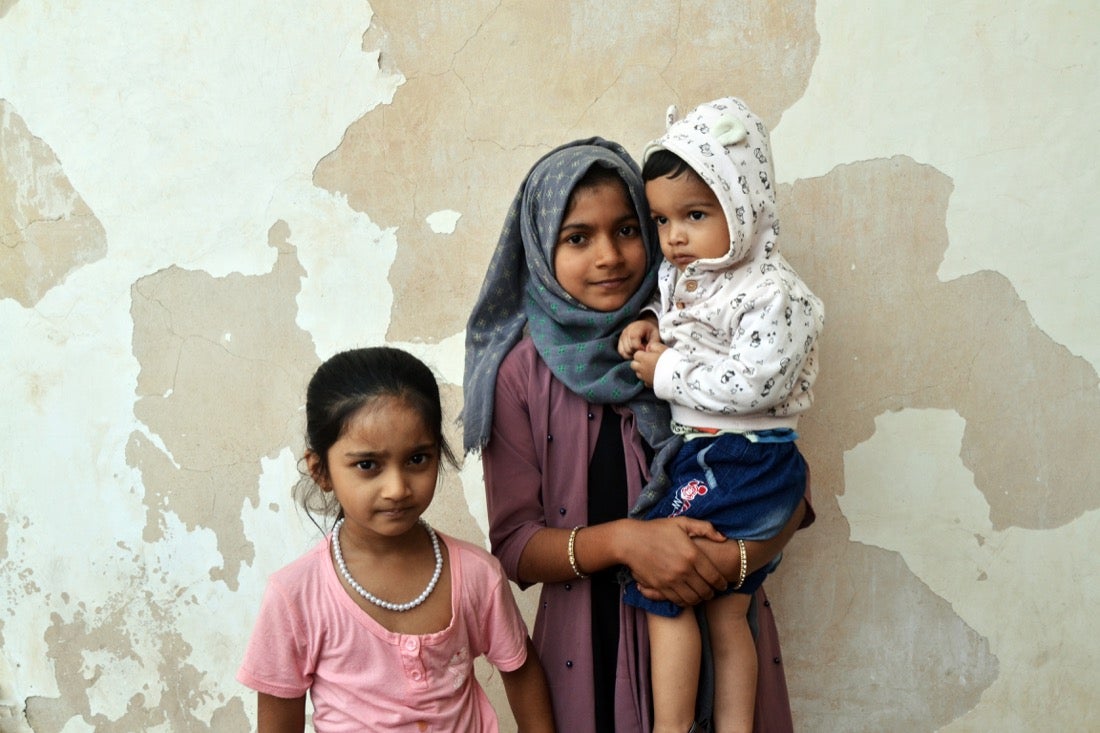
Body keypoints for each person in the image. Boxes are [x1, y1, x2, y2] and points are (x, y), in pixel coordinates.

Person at [463, 136, 814, 733]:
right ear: (542, 247)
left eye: (628, 229)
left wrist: (735, 561)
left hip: (723, 633)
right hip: (588, 656)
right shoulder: (521, 372)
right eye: (578, 238)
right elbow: (518, 547)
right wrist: (630, 543)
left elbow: (786, 484)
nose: (609, 256)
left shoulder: (704, 332)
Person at [616, 98, 824, 733]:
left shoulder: (776, 294)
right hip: (713, 453)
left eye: (696, 215)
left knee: (661, 590)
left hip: (743, 457)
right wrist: (648, 326)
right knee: (726, 610)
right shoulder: (691, 273)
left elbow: (754, 382)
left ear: (746, 208)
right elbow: (674, 314)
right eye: (661, 220)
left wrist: (665, 373)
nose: (674, 236)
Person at [237, 347, 555, 732]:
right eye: (368, 465)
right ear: (321, 470)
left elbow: (521, 672)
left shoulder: (476, 575)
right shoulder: (295, 596)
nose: (397, 488)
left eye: (417, 459)